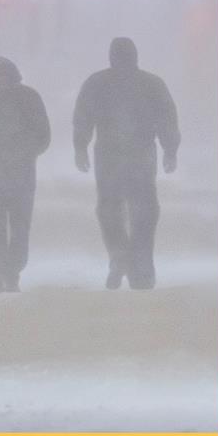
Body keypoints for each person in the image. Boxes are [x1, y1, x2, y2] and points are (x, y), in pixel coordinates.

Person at [73, 38, 180, 290]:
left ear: (111, 56)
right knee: (145, 211)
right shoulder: (152, 84)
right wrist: (170, 149)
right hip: (142, 155)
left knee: (109, 208)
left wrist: (80, 147)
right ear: (135, 56)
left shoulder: (97, 83)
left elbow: (83, 117)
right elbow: (167, 117)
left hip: (108, 155)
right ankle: (142, 270)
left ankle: (119, 255)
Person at [0, 57, 50, 293]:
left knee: (2, 225)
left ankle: (3, 271)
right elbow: (44, 135)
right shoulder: (29, 97)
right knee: (16, 225)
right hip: (17, 174)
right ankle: (6, 272)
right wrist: (27, 153)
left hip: (0, 173)